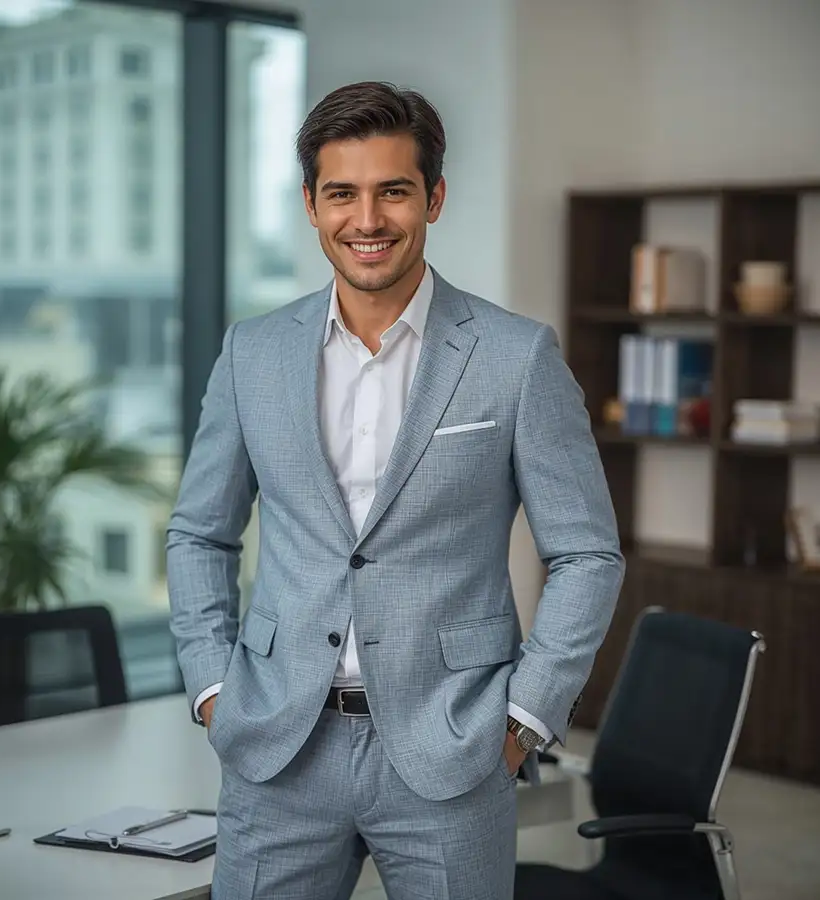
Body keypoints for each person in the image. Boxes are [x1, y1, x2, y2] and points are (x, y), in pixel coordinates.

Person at [166, 80, 625, 900]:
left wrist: (522, 721)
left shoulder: (515, 359)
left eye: (393, 192)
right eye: (342, 193)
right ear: (311, 204)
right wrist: (212, 689)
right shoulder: (253, 353)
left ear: (434, 198)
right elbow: (201, 533)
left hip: (453, 750)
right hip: (277, 748)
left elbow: (587, 552)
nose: (367, 220)